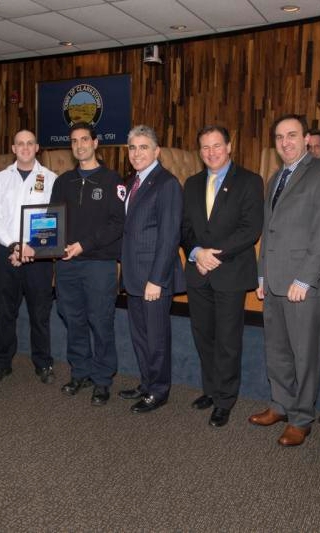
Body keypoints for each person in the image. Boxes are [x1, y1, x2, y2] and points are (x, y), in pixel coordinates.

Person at [250, 115, 320, 446]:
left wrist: (305, 279)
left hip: (306, 286)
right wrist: (261, 273)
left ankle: (302, 418)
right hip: (274, 281)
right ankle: (280, 404)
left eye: (292, 135)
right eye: (279, 137)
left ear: (306, 139)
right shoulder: (276, 177)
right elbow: (269, 230)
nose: (285, 142)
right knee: (277, 351)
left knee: (305, 355)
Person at [181, 125, 264, 428]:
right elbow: (185, 227)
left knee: (228, 340)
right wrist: (195, 253)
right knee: (204, 336)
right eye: (205, 147)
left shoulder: (249, 181)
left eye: (217, 146)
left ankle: (225, 400)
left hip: (229, 272)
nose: (211, 152)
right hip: (198, 272)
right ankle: (211, 390)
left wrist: (212, 255)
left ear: (229, 146)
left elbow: (250, 228)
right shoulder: (190, 184)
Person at [49, 121, 125, 406]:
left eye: (84, 139)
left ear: (95, 143)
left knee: (100, 320)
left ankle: (103, 380)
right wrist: (47, 246)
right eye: (74, 141)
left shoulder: (112, 180)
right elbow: (51, 221)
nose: (79, 145)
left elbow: (118, 223)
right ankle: (80, 371)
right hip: (67, 264)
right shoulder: (62, 182)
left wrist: (84, 245)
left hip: (99, 264)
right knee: (73, 319)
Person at [118, 125, 185, 414]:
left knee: (156, 337)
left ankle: (159, 390)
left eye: (143, 147)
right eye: (132, 148)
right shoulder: (132, 182)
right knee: (140, 336)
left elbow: (170, 236)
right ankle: (146, 383)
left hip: (153, 278)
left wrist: (157, 279)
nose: (137, 153)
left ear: (157, 151)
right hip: (134, 275)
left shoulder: (166, 183)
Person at [0, 130, 58, 385]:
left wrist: (30, 249)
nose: (25, 148)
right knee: (5, 313)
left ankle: (43, 363)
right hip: (7, 256)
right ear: (13, 148)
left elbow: (52, 219)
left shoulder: (50, 180)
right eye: (20, 144)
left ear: (37, 147)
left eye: (30, 143)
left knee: (40, 314)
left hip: (39, 258)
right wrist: (14, 246)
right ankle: (1, 363)